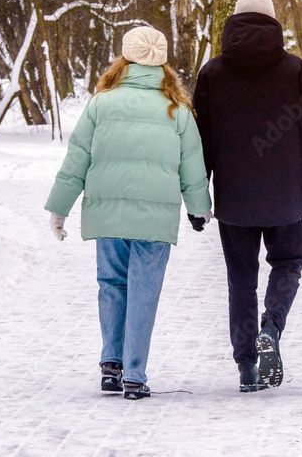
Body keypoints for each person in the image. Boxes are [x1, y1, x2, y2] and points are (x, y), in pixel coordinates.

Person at [45, 26, 212, 400]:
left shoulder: (101, 103)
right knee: (144, 292)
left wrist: (60, 208)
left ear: (124, 59)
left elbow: (77, 159)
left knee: (112, 285)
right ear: (162, 63)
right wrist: (199, 210)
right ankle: (135, 375)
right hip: (155, 218)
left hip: (109, 214)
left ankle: (111, 365)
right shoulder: (178, 109)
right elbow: (192, 165)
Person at [193, 0, 302, 393]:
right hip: (284, 198)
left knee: (241, 279)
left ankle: (246, 366)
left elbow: (198, 142)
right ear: (274, 22)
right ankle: (271, 328)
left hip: (234, 200)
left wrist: (195, 198)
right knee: (290, 260)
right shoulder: (295, 70)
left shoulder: (212, 73)